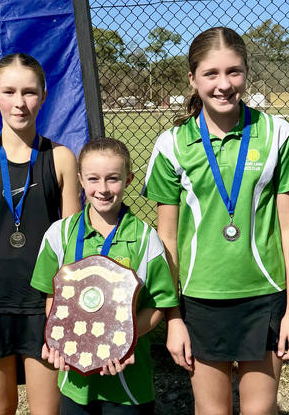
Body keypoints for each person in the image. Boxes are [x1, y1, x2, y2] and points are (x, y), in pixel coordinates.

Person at [141, 27, 289, 415]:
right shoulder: (171, 144)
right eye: (211, 73)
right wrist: (173, 317)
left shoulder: (277, 133)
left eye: (234, 71)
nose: (224, 84)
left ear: (246, 72)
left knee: (259, 410)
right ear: (192, 78)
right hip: (200, 301)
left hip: (264, 296)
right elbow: (167, 240)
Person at [0, 53, 81, 415]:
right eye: (9, 92)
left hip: (44, 307)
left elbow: (73, 247)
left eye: (29, 92)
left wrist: (66, 313)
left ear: (44, 96)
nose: (19, 103)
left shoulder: (62, 158)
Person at [31, 137, 178, 414]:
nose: (103, 189)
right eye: (93, 179)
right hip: (75, 382)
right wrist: (58, 340)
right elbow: (52, 297)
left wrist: (119, 342)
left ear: (129, 179)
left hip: (128, 384)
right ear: (80, 180)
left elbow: (158, 305)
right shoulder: (59, 235)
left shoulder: (146, 239)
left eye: (113, 179)